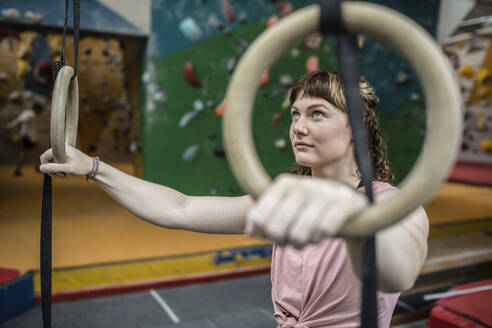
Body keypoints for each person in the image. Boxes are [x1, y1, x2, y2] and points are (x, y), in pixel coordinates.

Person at [39, 71, 429, 328]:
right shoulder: (283, 196)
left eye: (317, 114)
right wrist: (92, 166)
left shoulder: (395, 207)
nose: (298, 127)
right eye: (295, 114)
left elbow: (399, 271)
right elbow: (179, 209)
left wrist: (345, 211)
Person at [7, 101, 43, 176]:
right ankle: (38, 167)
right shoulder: (30, 114)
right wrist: (10, 125)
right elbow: (19, 121)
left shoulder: (29, 113)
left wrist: (11, 126)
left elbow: (19, 121)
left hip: (28, 136)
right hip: (29, 137)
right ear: (37, 109)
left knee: (26, 153)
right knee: (38, 152)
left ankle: (18, 170)